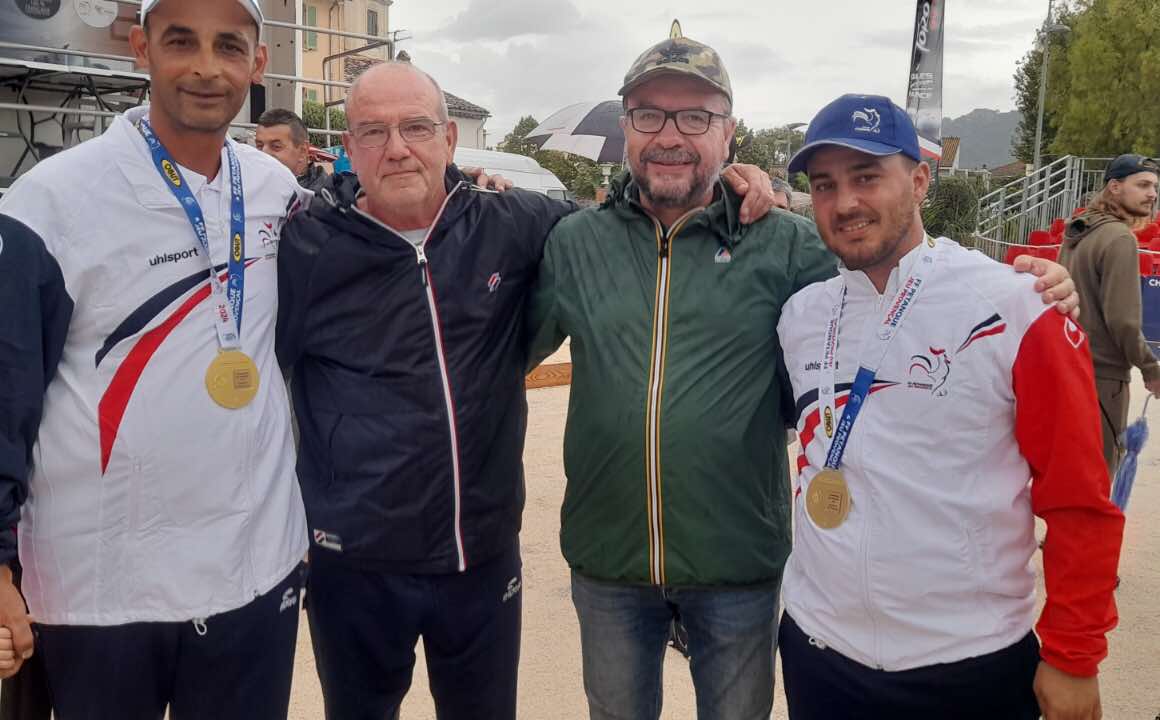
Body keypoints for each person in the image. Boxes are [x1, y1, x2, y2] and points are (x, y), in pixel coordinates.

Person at [526, 32, 1080, 720]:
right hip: (607, 561)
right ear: (626, 128)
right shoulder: (575, 244)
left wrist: (1035, 286)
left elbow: (893, 268)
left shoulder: (787, 243)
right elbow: (497, 352)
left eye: (695, 116)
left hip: (739, 565)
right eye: (649, 114)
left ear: (728, 135)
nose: (671, 134)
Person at [275, 60, 777, 720]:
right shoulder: (304, 247)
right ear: (347, 145)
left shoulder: (513, 222)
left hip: (481, 561)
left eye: (417, 128)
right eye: (372, 132)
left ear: (450, 138)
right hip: (354, 563)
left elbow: (628, 223)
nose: (397, 148)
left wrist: (733, 184)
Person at [0, 1, 309, 717]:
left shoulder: (278, 194)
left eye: (229, 46)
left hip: (252, 573)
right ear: (141, 48)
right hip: (102, 592)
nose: (206, 67)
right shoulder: (50, 201)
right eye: (181, 41)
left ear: (257, 65)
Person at [775, 93, 1123, 720]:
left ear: (919, 180)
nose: (845, 202)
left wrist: (1074, 656)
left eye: (866, 177)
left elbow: (1078, 496)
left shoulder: (1016, 305)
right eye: (824, 185)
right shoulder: (801, 316)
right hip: (818, 650)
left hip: (968, 665)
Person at [1059, 154, 1160, 477]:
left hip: (1067, 366)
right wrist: (1150, 368)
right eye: (1142, 185)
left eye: (1155, 187)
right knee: (1097, 479)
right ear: (1115, 187)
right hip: (1101, 378)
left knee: (1068, 475)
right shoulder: (1118, 239)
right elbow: (1124, 320)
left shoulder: (1078, 231)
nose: (1152, 194)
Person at [256, 107, 330, 192]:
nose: (264, 153)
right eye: (259, 146)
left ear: (303, 151)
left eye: (276, 146)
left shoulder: (324, 199)